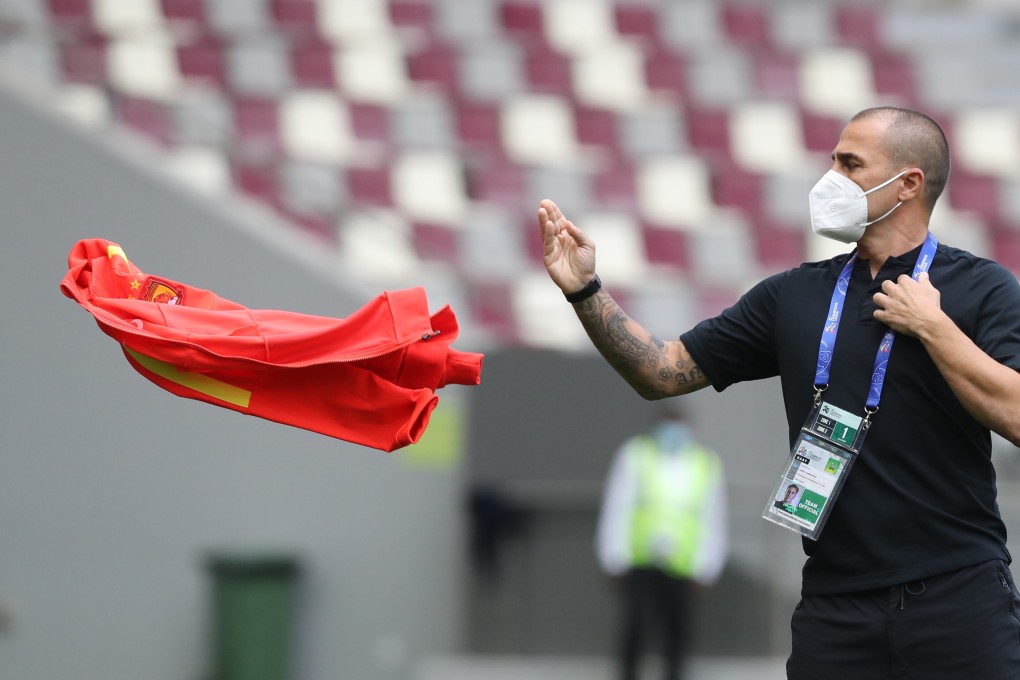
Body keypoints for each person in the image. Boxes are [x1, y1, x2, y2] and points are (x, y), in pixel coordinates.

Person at [538, 106, 1020, 680]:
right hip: (835, 604)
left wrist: (935, 329)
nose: (830, 177)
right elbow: (661, 372)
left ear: (909, 183)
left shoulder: (981, 288)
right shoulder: (793, 295)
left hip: (957, 595)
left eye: (850, 162)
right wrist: (586, 291)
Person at [596, 406, 728, 680]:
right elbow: (617, 506)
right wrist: (612, 555)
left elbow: (712, 516)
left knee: (678, 634)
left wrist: (707, 566)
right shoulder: (635, 454)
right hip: (641, 561)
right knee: (637, 629)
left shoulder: (704, 462)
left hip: (682, 564)